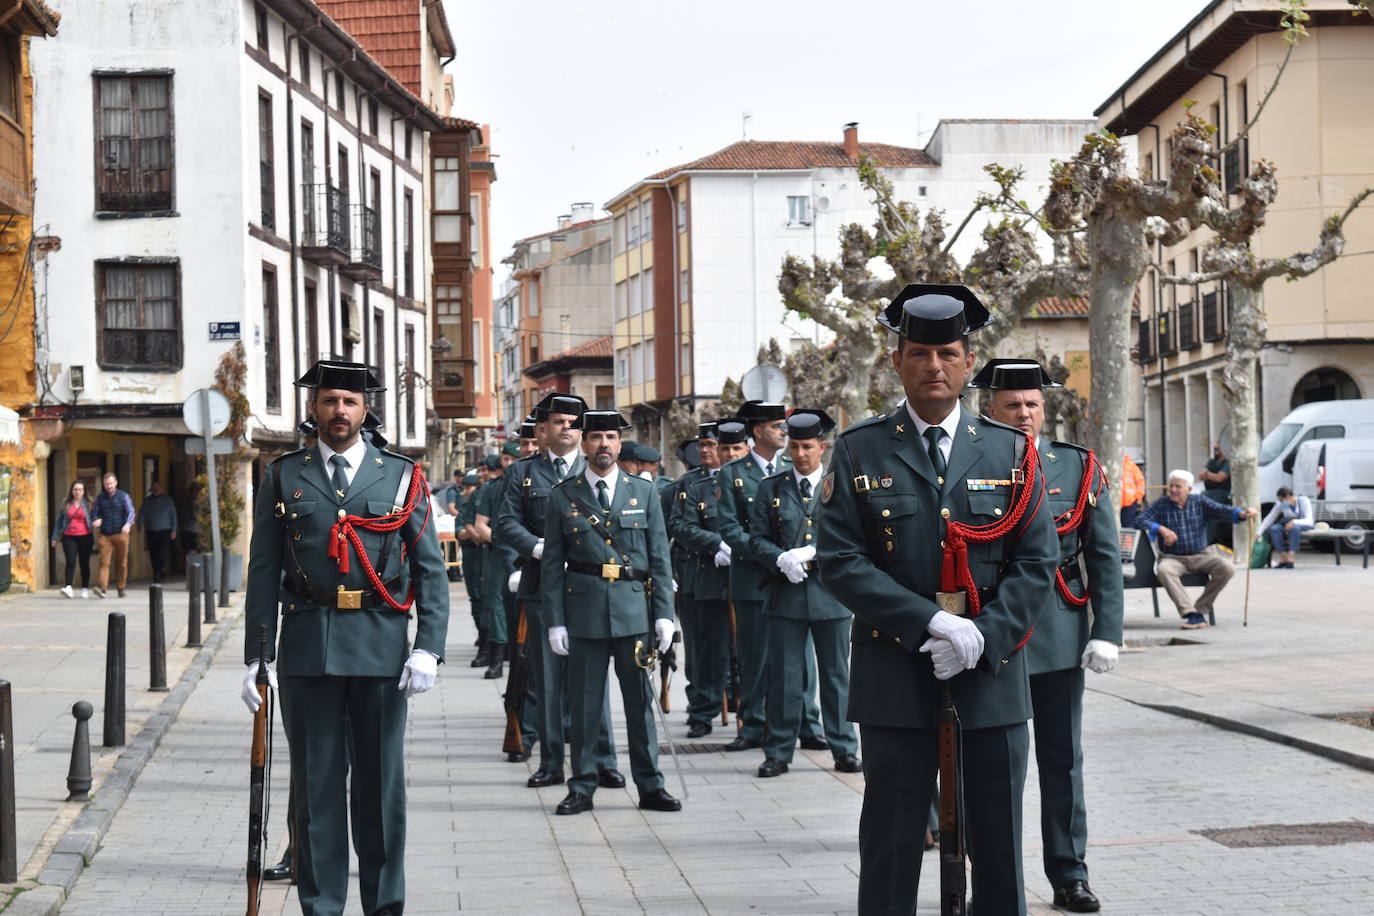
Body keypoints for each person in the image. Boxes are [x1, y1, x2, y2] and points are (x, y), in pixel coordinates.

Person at [817, 283, 1058, 915]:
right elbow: (840, 561)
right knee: (893, 845)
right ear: (896, 360)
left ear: (967, 363)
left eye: (948, 353)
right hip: (896, 677)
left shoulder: (1010, 452)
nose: (934, 367)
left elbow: (1037, 561)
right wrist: (928, 622)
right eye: (920, 353)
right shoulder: (858, 449)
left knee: (999, 849)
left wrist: (985, 635)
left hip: (991, 677)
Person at [240, 359, 449, 916]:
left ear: (365, 410)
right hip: (308, 650)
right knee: (316, 793)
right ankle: (322, 905)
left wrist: (429, 646)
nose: (339, 411)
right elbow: (264, 570)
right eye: (330, 400)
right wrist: (257, 657)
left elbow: (430, 568)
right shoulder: (284, 475)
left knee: (381, 792)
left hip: (380, 648)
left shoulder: (401, 475)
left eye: (350, 402)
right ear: (314, 408)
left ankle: (383, 905)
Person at [977, 358, 1124, 913]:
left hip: (1059, 631)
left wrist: (1107, 630)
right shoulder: (970, 463)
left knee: (1061, 760)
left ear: (1045, 408)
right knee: (992, 767)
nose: (1023, 414)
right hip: (991, 636)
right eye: (1012, 405)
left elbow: (1104, 557)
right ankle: (990, 877)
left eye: (1032, 405)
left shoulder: (1077, 467)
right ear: (989, 409)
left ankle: (1069, 873)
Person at [540, 409, 681, 816]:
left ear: (620, 445)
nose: (604, 445)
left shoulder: (645, 492)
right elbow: (552, 565)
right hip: (583, 614)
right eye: (597, 437)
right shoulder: (562, 495)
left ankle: (651, 785)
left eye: (611, 438)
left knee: (640, 705)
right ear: (584, 444)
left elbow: (659, 557)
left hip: (634, 612)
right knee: (584, 708)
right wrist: (556, 621)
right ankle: (582, 785)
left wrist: (664, 615)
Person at [495, 393, 622, 789]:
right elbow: (505, 523)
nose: (566, 427)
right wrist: (541, 549)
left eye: (573, 422)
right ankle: (551, 761)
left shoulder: (598, 471)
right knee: (547, 680)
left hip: (590, 589)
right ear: (543, 429)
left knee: (594, 679)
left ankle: (603, 759)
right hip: (542, 587)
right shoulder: (522, 473)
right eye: (558, 421)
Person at [748, 408, 862, 778]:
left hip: (831, 595)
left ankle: (844, 747)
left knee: (836, 676)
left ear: (822, 447)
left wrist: (817, 552)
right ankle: (779, 750)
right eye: (794, 446)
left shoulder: (840, 486)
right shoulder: (771, 488)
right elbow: (756, 539)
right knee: (785, 677)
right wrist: (780, 557)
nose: (799, 454)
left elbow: (855, 537)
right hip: (788, 596)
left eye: (807, 447)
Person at [716, 400, 824, 753]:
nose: (784, 431)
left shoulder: (796, 465)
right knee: (757, 656)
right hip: (754, 577)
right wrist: (774, 557)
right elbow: (731, 529)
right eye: (778, 425)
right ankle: (754, 723)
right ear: (759, 431)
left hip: (797, 581)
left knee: (801, 659)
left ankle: (808, 722)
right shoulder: (733, 473)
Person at [669, 420, 736, 738]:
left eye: (712, 445)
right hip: (703, 577)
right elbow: (680, 526)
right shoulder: (690, 484)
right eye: (703, 445)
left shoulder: (743, 479)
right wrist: (715, 544)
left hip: (744, 575)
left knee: (742, 649)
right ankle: (702, 710)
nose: (706, 451)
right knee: (705, 650)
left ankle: (745, 706)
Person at [1135, 469, 1258, 628]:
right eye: (1171, 486)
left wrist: (1243, 514)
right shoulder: (1161, 504)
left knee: (1227, 568)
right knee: (1164, 570)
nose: (1173, 490)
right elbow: (1139, 520)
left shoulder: (1199, 502)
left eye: (1178, 487)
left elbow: (1221, 510)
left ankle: (1201, 609)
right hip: (1173, 558)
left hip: (1201, 555)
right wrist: (1160, 529)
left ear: (1189, 489)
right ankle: (1190, 613)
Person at [472, 452, 512, 679]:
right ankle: (496, 656)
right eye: (506, 459)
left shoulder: (537, 480)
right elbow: (480, 525)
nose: (510, 463)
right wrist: (505, 542)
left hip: (534, 552)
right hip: (498, 552)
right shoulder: (491, 488)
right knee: (495, 603)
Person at [90, 472, 136, 598]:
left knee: (122, 562)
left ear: (115, 483)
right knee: (104, 562)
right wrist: (96, 519)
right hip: (105, 534)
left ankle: (121, 587)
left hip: (121, 533)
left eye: (111, 483)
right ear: (104, 485)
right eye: (106, 484)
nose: (109, 486)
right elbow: (94, 512)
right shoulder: (100, 498)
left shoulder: (123, 496)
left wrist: (128, 524)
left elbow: (131, 512)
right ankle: (102, 588)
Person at [51, 480, 94, 598]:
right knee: (70, 561)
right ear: (71, 491)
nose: (77, 492)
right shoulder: (66, 503)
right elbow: (59, 521)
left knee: (84, 562)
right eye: (75, 489)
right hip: (69, 536)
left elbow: (96, 516)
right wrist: (54, 537)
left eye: (80, 489)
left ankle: (85, 588)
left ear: (84, 491)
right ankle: (68, 587)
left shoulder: (89, 503)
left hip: (86, 536)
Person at [1259, 486, 1313, 568]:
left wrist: (1294, 522)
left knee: (1295, 529)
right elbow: (1270, 517)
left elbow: (1309, 520)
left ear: (1288, 497)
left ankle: (1290, 557)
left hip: (1303, 525)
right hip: (1287, 524)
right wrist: (1259, 532)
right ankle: (1283, 556)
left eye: (1281, 500)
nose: (1281, 502)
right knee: (1274, 529)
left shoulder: (1304, 501)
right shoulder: (1280, 503)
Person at [139, 480, 178, 584]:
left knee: (163, 553)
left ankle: (159, 572)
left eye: (157, 488)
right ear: (151, 489)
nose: (156, 490)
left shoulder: (167, 501)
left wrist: (174, 530)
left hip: (165, 530)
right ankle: (157, 571)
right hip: (151, 530)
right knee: (153, 553)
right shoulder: (147, 501)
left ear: (161, 489)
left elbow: (173, 516)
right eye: (154, 489)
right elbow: (141, 513)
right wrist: (140, 525)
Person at [1200, 442, 1233, 546]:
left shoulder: (1227, 462)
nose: (1215, 451)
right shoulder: (1212, 461)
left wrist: (1208, 475)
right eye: (1214, 449)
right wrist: (1212, 475)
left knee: (1212, 518)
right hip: (1208, 492)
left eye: (1217, 449)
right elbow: (1201, 475)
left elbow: (1221, 478)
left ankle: (1207, 541)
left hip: (1220, 494)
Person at [1120, 453, 1146, 528]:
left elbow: (1140, 482)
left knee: (1127, 526)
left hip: (1130, 502)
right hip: (1118, 501)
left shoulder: (1131, 466)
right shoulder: (1130, 466)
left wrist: (1137, 497)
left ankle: (1127, 540)